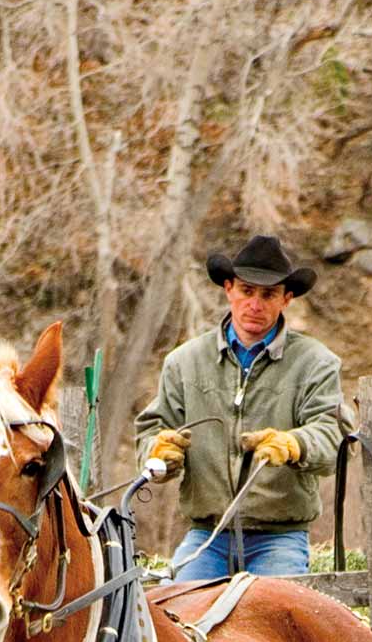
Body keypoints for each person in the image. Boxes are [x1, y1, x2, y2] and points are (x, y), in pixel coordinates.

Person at [135, 235, 346, 581]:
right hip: (207, 535)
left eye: (268, 295)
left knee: (278, 621)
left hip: (280, 538)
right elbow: (152, 431)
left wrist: (295, 445)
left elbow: (333, 434)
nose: (255, 304)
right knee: (174, 613)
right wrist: (159, 451)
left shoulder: (315, 363)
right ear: (229, 289)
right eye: (247, 291)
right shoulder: (183, 362)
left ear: (286, 298)